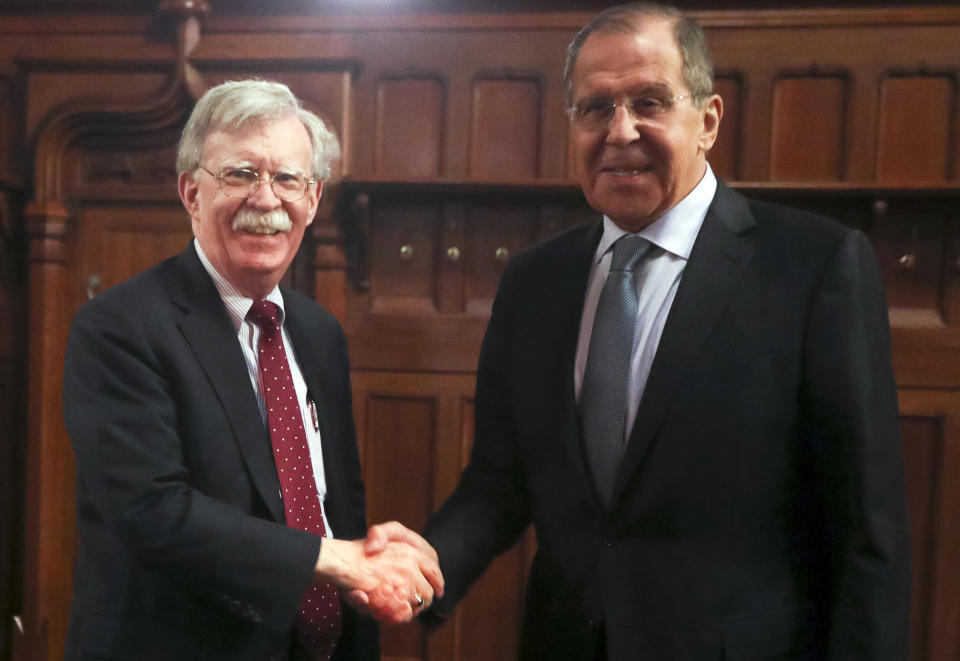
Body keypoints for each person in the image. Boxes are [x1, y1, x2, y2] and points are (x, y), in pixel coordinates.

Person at [367, 3, 910, 659]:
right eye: (595, 108)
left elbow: (866, 531)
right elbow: (499, 480)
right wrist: (422, 567)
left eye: (649, 102)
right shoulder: (534, 283)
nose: (619, 131)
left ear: (707, 120)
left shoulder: (815, 266)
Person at [62, 79, 442, 661]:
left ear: (312, 199)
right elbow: (152, 512)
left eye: (287, 178)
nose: (266, 200)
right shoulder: (118, 328)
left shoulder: (319, 333)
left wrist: (364, 555)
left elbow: (327, 501)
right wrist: (334, 559)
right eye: (240, 174)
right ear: (190, 192)